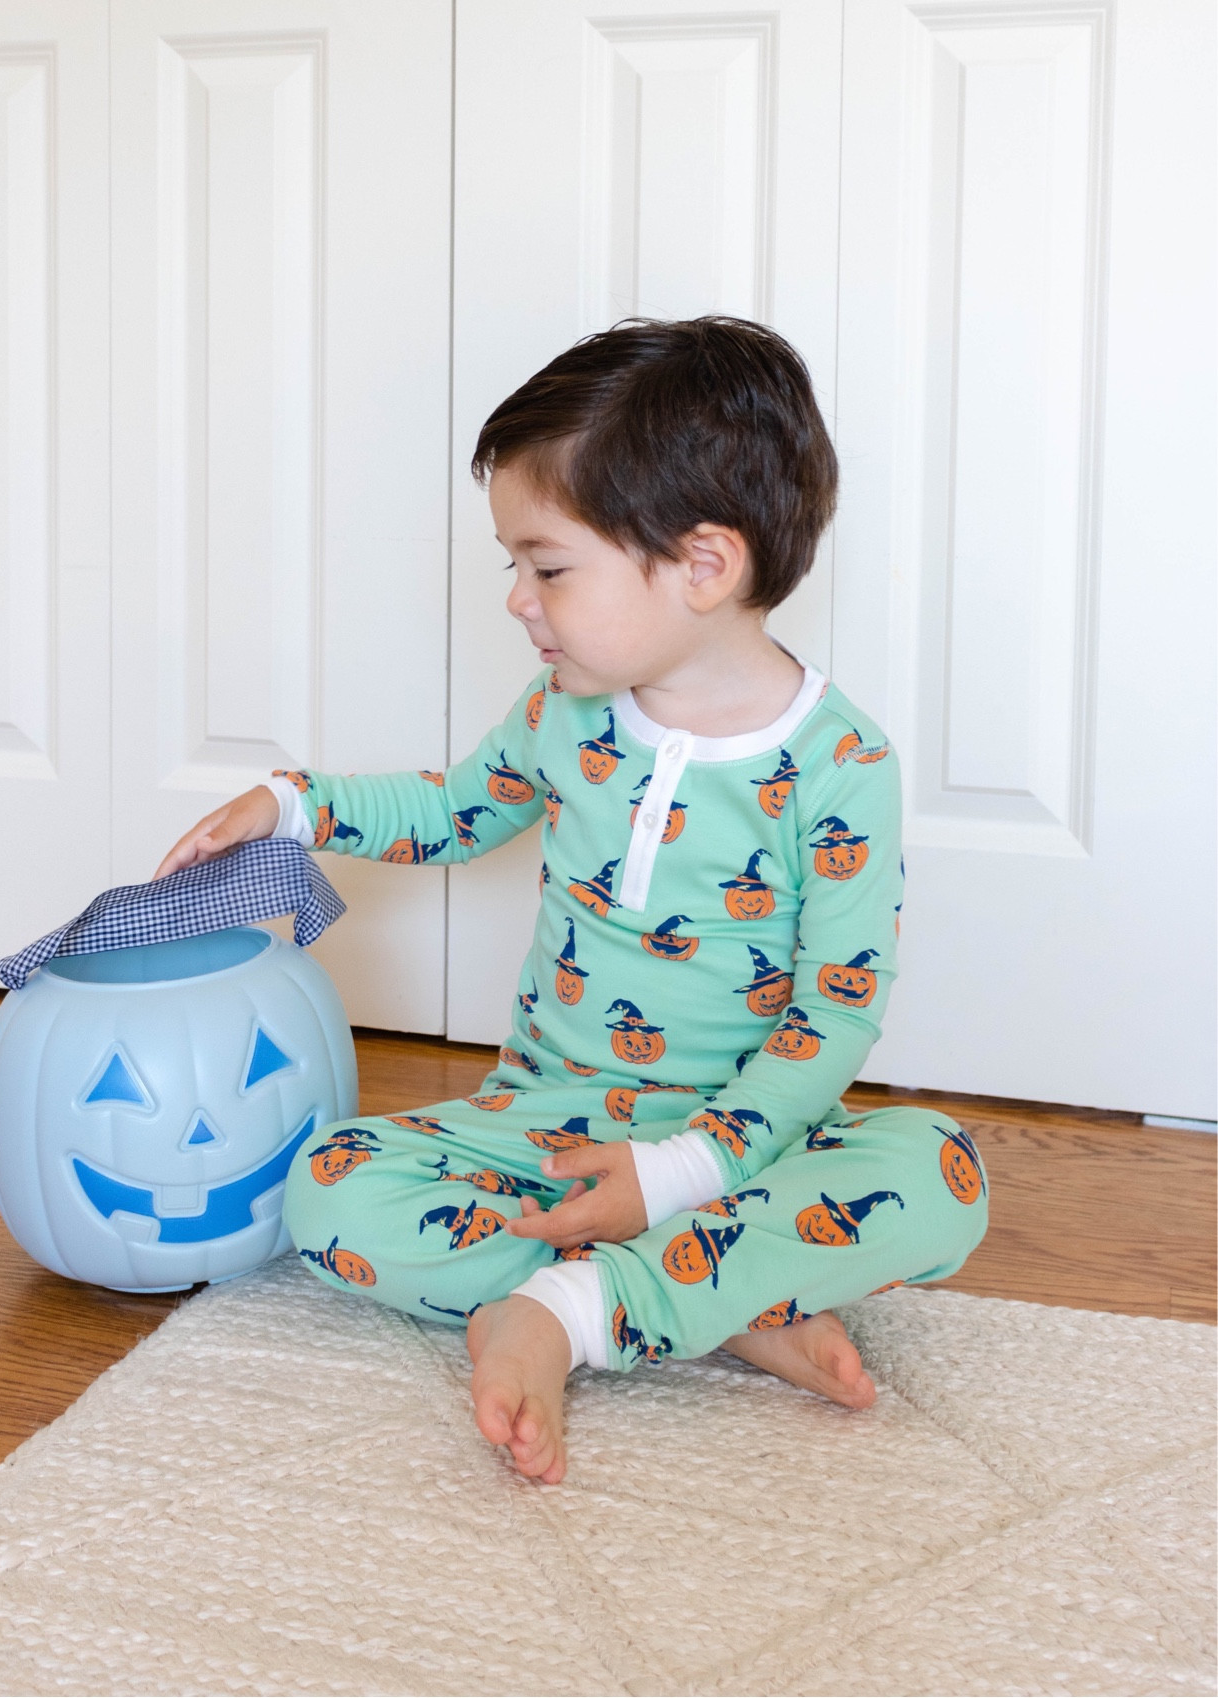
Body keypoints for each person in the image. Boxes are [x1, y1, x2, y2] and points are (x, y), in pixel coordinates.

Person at [155, 317, 989, 1486]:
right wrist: (291, 806)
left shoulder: (841, 767)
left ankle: (570, 1308)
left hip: (743, 1144)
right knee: (330, 1192)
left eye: (545, 567)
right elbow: (454, 809)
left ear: (704, 564)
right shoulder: (565, 711)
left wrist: (682, 1172)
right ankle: (709, 1297)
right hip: (551, 1123)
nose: (515, 601)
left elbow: (833, 1016)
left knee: (938, 1175)